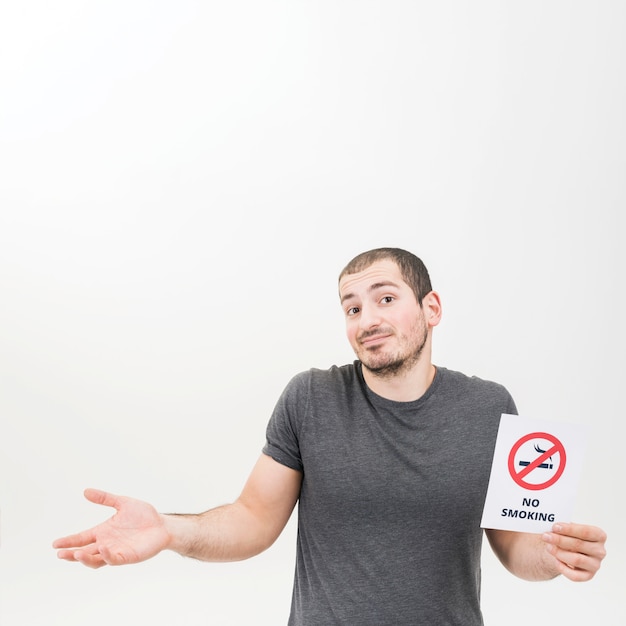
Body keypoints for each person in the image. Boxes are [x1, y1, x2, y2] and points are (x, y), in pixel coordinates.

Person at [53, 247, 607, 625]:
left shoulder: (491, 407)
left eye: (386, 298)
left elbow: (515, 545)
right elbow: (252, 518)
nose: (367, 318)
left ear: (431, 308)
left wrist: (556, 556)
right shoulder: (310, 398)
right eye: (352, 307)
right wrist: (169, 529)